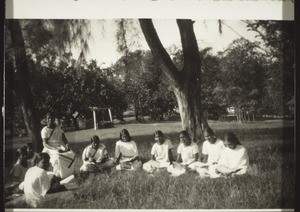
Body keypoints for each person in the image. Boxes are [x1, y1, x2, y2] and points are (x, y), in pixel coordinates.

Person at [41, 113, 76, 179]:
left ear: (54, 119)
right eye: (48, 118)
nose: (50, 120)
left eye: (52, 118)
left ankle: (67, 173)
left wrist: (67, 144)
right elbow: (45, 144)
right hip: (49, 148)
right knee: (56, 157)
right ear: (46, 119)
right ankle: (56, 175)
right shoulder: (44, 130)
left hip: (59, 146)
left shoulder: (58, 128)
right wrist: (54, 149)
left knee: (71, 154)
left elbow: (64, 138)